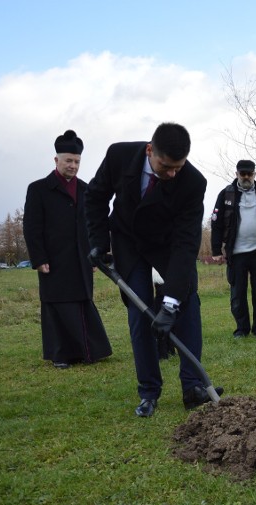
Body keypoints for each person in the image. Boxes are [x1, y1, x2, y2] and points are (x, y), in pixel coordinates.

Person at [84, 122, 223, 417]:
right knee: (139, 310)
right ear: (150, 151)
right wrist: (98, 242)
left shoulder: (193, 183)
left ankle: (193, 386)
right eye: (166, 166)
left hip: (168, 244)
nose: (172, 173)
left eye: (178, 167)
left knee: (187, 301)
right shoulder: (119, 157)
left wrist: (171, 303)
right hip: (128, 240)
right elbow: (95, 197)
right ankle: (149, 391)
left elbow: (186, 244)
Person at [23, 130, 112, 369]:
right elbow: (31, 228)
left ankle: (87, 352)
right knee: (57, 306)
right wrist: (39, 258)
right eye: (69, 161)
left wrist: (96, 256)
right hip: (53, 261)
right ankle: (61, 355)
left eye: (77, 162)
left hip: (82, 260)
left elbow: (94, 225)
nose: (73, 166)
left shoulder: (86, 190)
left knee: (83, 303)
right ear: (56, 160)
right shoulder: (39, 189)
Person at [210, 159, 256, 339]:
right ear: (237, 174)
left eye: (250, 173)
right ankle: (241, 329)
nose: (246, 177)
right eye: (243, 174)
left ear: (255, 174)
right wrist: (216, 250)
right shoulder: (226, 194)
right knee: (237, 294)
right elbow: (216, 223)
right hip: (236, 253)